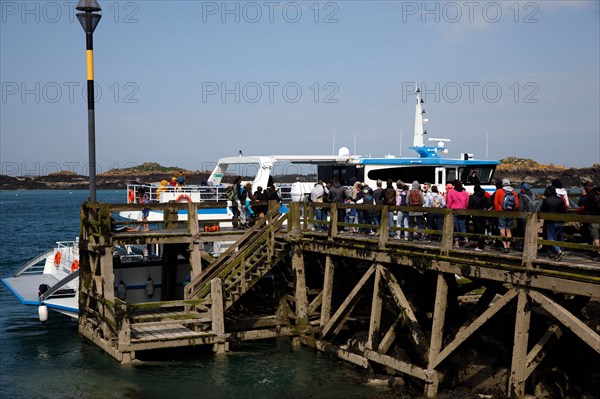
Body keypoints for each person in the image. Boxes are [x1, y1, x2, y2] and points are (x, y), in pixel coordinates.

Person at [541, 186, 567, 260]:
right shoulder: (560, 200)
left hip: (550, 221)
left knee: (550, 238)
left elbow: (543, 209)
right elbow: (564, 210)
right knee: (559, 237)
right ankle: (559, 251)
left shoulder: (546, 200)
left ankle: (558, 251)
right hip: (560, 221)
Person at [494, 178, 519, 253]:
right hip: (510, 213)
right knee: (509, 230)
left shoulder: (499, 191)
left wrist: (497, 210)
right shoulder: (513, 192)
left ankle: (504, 246)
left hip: (502, 212)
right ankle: (508, 246)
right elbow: (517, 204)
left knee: (502, 229)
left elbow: (495, 203)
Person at [578, 181, 600, 261]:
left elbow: (580, 203)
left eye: (584, 188)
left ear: (587, 187)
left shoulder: (590, 195)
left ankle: (598, 253)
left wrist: (583, 196)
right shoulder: (597, 192)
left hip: (593, 218)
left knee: (595, 236)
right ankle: (594, 251)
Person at [446, 180, 469, 247]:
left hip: (454, 211)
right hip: (463, 211)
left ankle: (456, 242)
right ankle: (466, 239)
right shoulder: (464, 193)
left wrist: (448, 209)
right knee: (463, 226)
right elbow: (467, 203)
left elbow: (449, 203)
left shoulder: (451, 192)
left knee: (455, 227)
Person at [468, 184, 490, 251]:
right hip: (483, 214)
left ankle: (478, 244)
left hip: (475, 215)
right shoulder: (484, 197)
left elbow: (469, 206)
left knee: (477, 229)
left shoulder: (472, 197)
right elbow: (488, 205)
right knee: (482, 229)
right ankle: (481, 244)